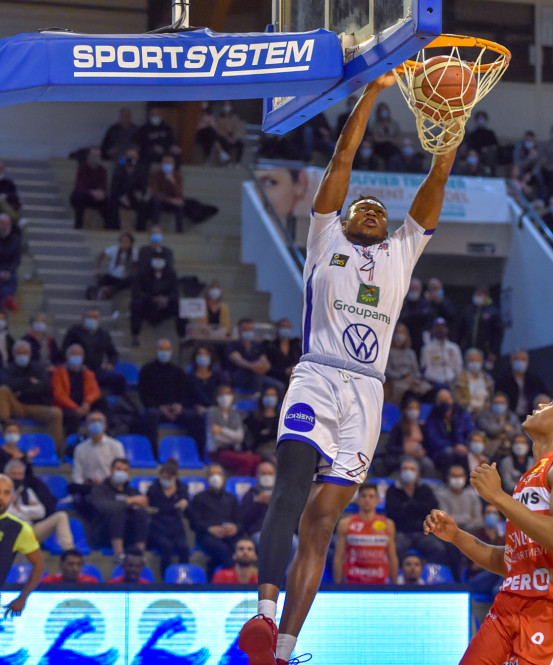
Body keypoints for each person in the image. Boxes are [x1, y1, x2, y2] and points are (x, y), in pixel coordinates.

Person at [238, 72, 459, 665]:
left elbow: (437, 177)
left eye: (376, 208)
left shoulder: (401, 251)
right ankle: (261, 614)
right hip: (317, 374)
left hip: (367, 396)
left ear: (385, 227)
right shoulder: (323, 236)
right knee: (288, 488)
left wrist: (451, 127)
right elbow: (344, 154)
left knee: (322, 526)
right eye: (359, 203)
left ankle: (284, 649)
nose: (367, 207)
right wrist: (373, 93)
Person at [424, 386, 553, 665]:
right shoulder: (529, 477)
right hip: (510, 603)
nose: (542, 404)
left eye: (552, 403)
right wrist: (456, 536)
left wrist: (498, 497)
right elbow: (512, 561)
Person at [84, 457, 150, 559]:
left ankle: (139, 555)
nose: (121, 472)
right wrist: (129, 501)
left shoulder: (132, 492)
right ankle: (118, 555)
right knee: (117, 511)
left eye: (125, 470)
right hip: (104, 533)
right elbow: (103, 506)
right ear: (111, 470)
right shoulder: (100, 489)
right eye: (118, 469)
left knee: (141, 513)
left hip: (128, 533)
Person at [333, 482, 397, 585]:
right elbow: (339, 556)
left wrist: (395, 586)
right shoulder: (346, 524)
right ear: (358, 500)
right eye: (363, 496)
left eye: (371, 496)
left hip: (379, 582)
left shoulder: (388, 525)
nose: (367, 500)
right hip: (353, 581)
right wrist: (338, 585)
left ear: (377, 500)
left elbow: (392, 557)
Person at [5, 458, 72, 552]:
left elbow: (41, 512)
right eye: (14, 474)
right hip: (8, 532)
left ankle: (69, 552)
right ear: (7, 475)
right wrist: (29, 510)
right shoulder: (2, 493)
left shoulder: (27, 491)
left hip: (29, 531)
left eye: (20, 474)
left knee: (61, 516)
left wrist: (19, 508)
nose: (17, 477)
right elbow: (8, 513)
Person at [0, 473, 44, 617]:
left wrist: (23, 597)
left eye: (6, 493)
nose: (1, 497)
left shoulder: (18, 529)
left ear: (12, 497)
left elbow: (39, 565)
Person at [187, 463, 240, 577]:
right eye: (212, 474)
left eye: (219, 474)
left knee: (239, 548)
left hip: (229, 536)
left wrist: (235, 527)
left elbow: (240, 520)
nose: (215, 477)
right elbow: (194, 523)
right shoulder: (198, 498)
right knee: (223, 551)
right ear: (206, 478)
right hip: (207, 536)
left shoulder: (231, 498)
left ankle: (216, 579)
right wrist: (209, 529)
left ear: (224, 477)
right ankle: (230, 582)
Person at [144, 458, 190, 578]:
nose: (166, 480)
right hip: (158, 526)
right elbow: (151, 509)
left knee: (184, 548)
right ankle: (165, 579)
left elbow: (184, 505)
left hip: (176, 526)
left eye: (169, 477)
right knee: (166, 547)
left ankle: (183, 577)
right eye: (164, 477)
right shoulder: (153, 489)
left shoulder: (182, 488)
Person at [70, 147, 112, 229]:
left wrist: (101, 193)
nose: (95, 158)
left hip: (95, 197)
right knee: (79, 197)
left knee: (108, 201)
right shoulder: (82, 168)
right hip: (83, 195)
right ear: (89, 156)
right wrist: (91, 192)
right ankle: (78, 225)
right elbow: (79, 186)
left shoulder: (102, 170)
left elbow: (104, 186)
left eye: (97, 156)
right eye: (94, 155)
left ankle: (108, 227)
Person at [0, 213, 22, 312]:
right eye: (2, 224)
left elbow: (16, 260)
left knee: (12, 279)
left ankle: (7, 300)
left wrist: (9, 271)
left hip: (9, 271)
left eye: (6, 224)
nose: (4, 227)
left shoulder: (15, 240)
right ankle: (7, 300)